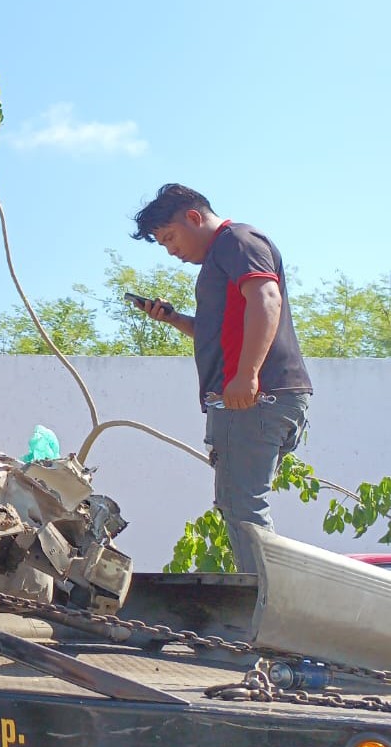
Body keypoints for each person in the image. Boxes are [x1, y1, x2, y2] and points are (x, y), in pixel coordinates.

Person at [129, 183, 311, 574]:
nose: (170, 250)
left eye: (170, 237)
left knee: (243, 508)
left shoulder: (236, 241)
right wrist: (173, 319)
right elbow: (222, 330)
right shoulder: (224, 255)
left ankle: (265, 602)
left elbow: (266, 299)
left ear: (194, 217)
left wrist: (247, 375)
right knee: (241, 505)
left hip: (255, 399)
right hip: (262, 397)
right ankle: (266, 597)